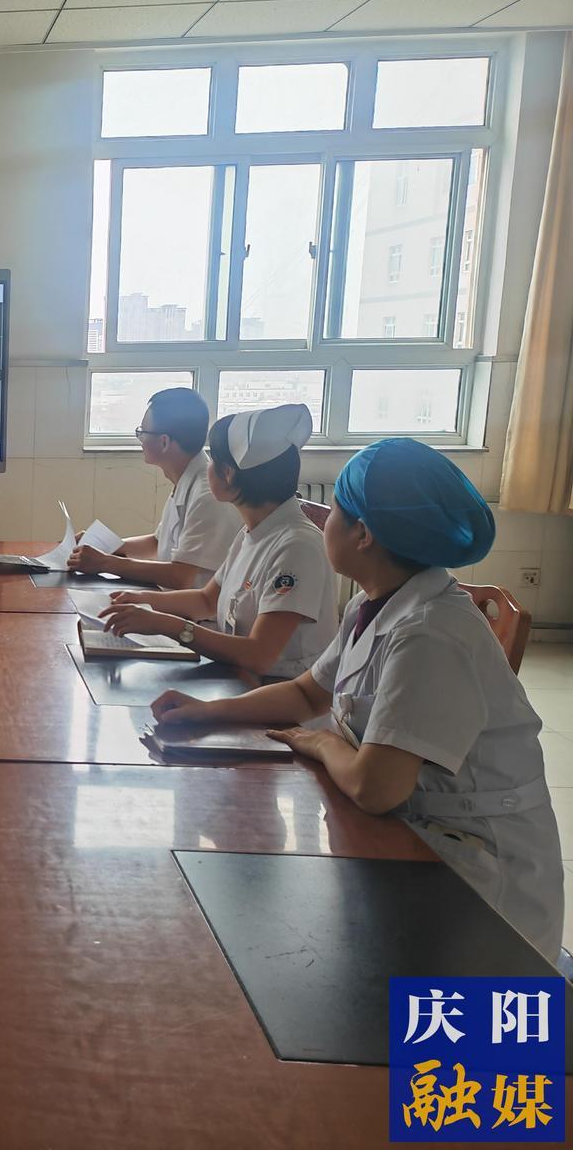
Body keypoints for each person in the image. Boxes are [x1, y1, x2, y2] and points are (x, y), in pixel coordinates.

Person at [152, 439, 562, 960]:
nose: (323, 520)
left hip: (479, 879)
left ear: (363, 534)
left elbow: (376, 787)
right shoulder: (377, 604)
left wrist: (325, 744)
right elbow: (306, 693)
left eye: (336, 511)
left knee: (412, 1014)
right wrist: (206, 712)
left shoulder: (429, 633)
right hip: (421, 838)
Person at [100, 404, 337, 679]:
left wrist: (167, 625)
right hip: (239, 677)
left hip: (276, 693)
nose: (206, 468)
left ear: (228, 473)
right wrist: (139, 600)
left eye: (212, 459)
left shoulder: (296, 547)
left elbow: (259, 655)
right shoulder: (254, 531)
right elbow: (206, 599)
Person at [69, 387, 240, 588]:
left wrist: (106, 563)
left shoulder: (207, 496)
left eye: (142, 432)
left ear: (164, 442)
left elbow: (181, 576)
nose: (140, 440)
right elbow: (157, 543)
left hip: (190, 607)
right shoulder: (186, 478)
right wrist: (100, 546)